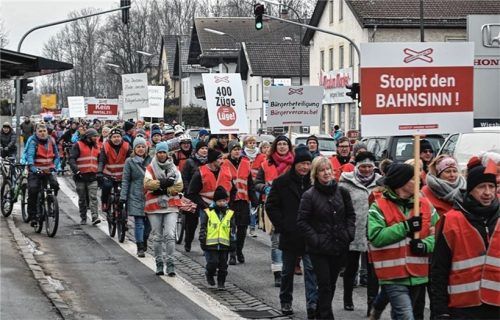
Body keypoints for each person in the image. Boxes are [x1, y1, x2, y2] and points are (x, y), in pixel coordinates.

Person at [368, 163, 439, 320]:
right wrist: (406, 226)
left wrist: (425, 244)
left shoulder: (426, 205)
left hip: (418, 272)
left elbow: (440, 235)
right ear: (401, 182)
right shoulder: (378, 206)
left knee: (402, 312)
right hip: (392, 274)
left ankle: (377, 307)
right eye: (413, 179)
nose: (419, 181)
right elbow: (376, 237)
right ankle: (378, 307)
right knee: (405, 316)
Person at [431, 160, 499, 320]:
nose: (488, 192)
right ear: (470, 190)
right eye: (481, 187)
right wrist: (440, 311)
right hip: (463, 308)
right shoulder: (451, 220)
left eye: (491, 187)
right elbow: (439, 270)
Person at [297, 156, 356, 320]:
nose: (326, 173)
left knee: (331, 283)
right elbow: (302, 222)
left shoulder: (342, 192)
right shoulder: (309, 195)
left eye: (328, 169)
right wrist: (315, 239)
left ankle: (318, 312)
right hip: (319, 249)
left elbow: (350, 215)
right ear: (316, 174)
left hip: (338, 246)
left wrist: (348, 234)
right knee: (324, 284)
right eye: (322, 170)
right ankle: (326, 316)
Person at [266, 145, 318, 318]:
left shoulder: (314, 182)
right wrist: (282, 225)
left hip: (310, 235)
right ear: (295, 164)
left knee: (311, 271)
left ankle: (312, 304)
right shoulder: (282, 182)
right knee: (288, 272)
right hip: (290, 234)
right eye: (302, 163)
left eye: (308, 164)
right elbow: (271, 206)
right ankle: (285, 301)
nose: (305, 167)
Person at [339, 152, 381, 312]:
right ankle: (347, 299)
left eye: (369, 166)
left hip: (374, 233)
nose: (366, 169)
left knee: (373, 272)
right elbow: (340, 207)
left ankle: (372, 303)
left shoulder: (380, 183)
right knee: (350, 268)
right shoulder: (346, 183)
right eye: (363, 166)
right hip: (353, 232)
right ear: (357, 167)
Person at [255, 136, 294, 287]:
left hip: (291, 205)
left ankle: (288, 268)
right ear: (275, 147)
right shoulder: (266, 164)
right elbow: (256, 183)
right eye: (280, 144)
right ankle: (278, 272)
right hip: (272, 206)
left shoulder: (295, 164)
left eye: (285, 144)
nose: (282, 147)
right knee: (276, 240)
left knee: (289, 240)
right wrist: (265, 187)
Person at [143, 141, 183, 276]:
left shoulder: (174, 168)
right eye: (159, 152)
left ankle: (171, 264)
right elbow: (147, 184)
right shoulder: (150, 168)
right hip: (154, 206)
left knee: (170, 235)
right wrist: (163, 184)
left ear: (167, 153)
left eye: (163, 152)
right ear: (156, 153)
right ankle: (159, 263)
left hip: (171, 205)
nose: (161, 154)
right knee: (157, 237)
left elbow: (179, 186)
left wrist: (161, 189)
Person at [218, 140, 257, 265]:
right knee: (231, 228)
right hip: (230, 201)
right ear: (230, 151)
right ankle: (232, 253)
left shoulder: (246, 163)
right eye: (234, 149)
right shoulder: (224, 164)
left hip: (243, 200)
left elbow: (250, 183)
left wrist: (254, 199)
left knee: (242, 229)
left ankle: (239, 250)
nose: (237, 151)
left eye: (238, 149)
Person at [199, 186, 236, 290]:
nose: (222, 203)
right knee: (212, 263)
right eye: (219, 201)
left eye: (224, 201)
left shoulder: (230, 213)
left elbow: (232, 230)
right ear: (215, 201)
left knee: (223, 266)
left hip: (225, 244)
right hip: (211, 244)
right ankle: (209, 273)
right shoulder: (208, 212)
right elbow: (203, 227)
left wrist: (233, 243)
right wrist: (202, 240)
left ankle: (221, 282)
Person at [120, 137, 152, 257]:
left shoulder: (151, 161)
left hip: (149, 195)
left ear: (146, 148)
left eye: (143, 147)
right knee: (139, 223)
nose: (140, 149)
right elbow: (126, 180)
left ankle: (144, 240)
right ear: (134, 148)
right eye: (138, 147)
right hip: (135, 194)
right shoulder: (130, 161)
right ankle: (140, 247)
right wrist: (123, 196)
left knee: (149, 224)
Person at [25, 123, 61, 225]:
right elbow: (30, 158)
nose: (42, 133)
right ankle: (32, 215)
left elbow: (57, 156)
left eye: (44, 131)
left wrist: (55, 166)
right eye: (40, 131)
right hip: (35, 171)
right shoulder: (33, 142)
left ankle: (50, 202)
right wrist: (34, 168)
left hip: (48, 171)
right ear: (36, 132)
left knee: (55, 185)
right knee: (33, 190)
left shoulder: (51, 140)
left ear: (47, 131)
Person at [69, 128, 101, 225]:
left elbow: (100, 160)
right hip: (81, 177)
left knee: (93, 197)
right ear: (88, 137)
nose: (96, 138)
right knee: (82, 198)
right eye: (94, 136)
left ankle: (95, 216)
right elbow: (72, 159)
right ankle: (83, 217)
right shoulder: (78, 145)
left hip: (92, 176)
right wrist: (76, 171)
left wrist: (99, 171)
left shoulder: (97, 147)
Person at [181, 141, 209, 252]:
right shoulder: (190, 162)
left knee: (205, 222)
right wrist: (188, 191)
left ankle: (205, 244)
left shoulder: (209, 162)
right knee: (191, 223)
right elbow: (184, 178)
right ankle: (188, 241)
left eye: (206, 148)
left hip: (204, 196)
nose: (204, 150)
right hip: (192, 196)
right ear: (197, 150)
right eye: (202, 148)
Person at [98, 128, 131, 216]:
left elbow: (131, 159)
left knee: (123, 192)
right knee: (107, 186)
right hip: (109, 174)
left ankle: (122, 210)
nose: (116, 139)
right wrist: (100, 172)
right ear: (110, 138)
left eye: (118, 137)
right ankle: (104, 202)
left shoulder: (127, 146)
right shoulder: (105, 146)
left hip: (122, 175)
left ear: (121, 138)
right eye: (114, 137)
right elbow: (101, 160)